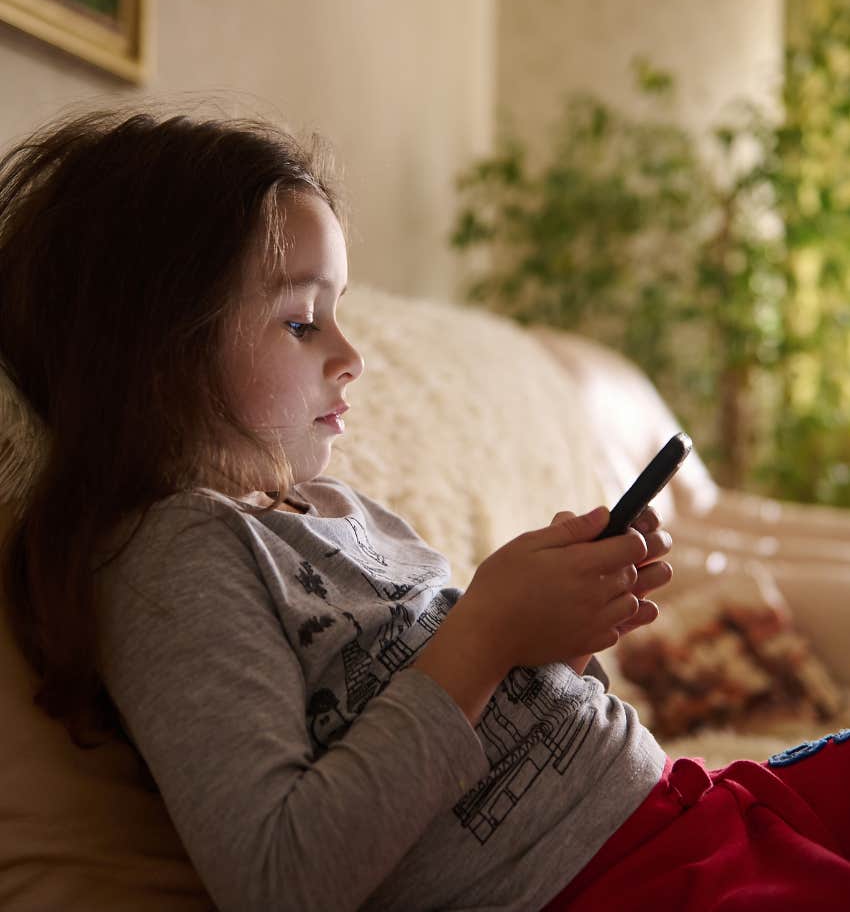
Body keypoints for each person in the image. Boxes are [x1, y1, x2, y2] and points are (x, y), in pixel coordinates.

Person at [0, 105, 847, 912]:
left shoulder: (333, 507)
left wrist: (554, 632)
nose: (351, 355)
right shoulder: (171, 558)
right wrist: (487, 632)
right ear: (155, 352)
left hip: (691, 809)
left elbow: (494, 716)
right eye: (302, 322)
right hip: (621, 883)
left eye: (338, 314)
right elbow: (278, 878)